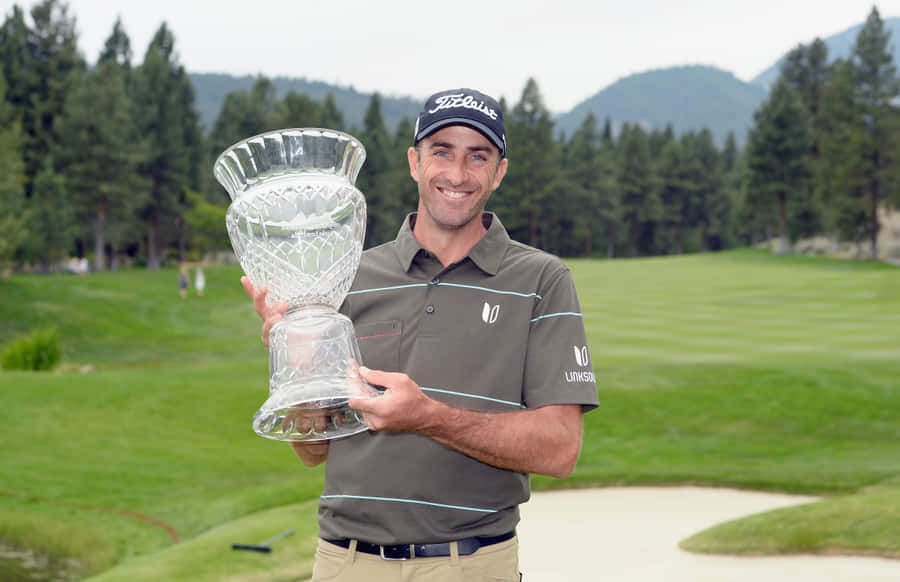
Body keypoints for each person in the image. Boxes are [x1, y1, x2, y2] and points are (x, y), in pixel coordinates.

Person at [242, 88, 599, 582]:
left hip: (470, 565)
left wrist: (428, 417)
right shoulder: (348, 276)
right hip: (346, 564)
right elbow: (312, 449)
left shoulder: (541, 280)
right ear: (415, 162)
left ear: (499, 172)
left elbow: (560, 448)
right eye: (442, 152)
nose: (457, 174)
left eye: (478, 156)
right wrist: (298, 367)